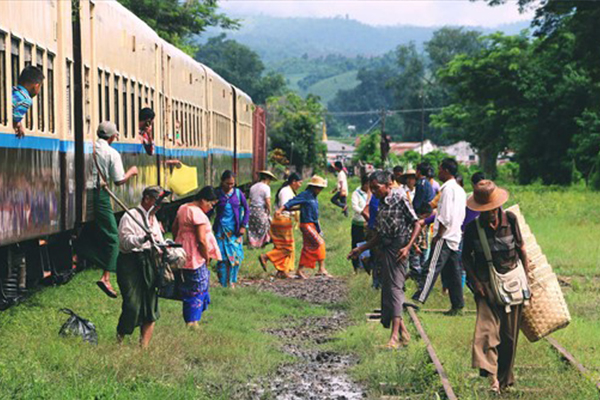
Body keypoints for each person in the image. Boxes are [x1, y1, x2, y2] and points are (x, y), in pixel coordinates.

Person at [462, 180, 529, 393]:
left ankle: (504, 379)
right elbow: (465, 258)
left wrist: (527, 283)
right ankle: (493, 380)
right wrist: (476, 282)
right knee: (486, 332)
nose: (489, 214)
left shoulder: (511, 220)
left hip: (512, 286)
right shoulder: (473, 228)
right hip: (486, 287)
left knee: (508, 337)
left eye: (492, 209)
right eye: (485, 210)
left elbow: (522, 251)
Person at [349, 171, 422, 349]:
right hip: (385, 249)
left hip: (399, 249)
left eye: (376, 188)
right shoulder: (380, 204)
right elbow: (379, 236)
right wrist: (361, 248)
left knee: (396, 290)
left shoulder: (399, 199)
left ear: (388, 185)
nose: (373, 191)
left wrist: (408, 247)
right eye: (371, 188)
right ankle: (404, 333)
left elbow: (417, 223)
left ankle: (394, 338)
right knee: (388, 291)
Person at [77, 122, 138, 298]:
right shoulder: (112, 153)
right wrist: (132, 172)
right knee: (113, 237)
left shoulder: (88, 146)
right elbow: (119, 180)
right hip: (100, 195)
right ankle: (106, 277)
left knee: (92, 229)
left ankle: (81, 253)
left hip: (82, 192)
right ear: (112, 137)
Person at [412, 158, 466, 315]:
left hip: (445, 236)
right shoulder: (460, 190)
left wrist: (438, 235)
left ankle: (418, 299)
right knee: (453, 272)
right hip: (455, 236)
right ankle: (458, 305)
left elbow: (446, 216)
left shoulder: (448, 190)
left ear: (447, 171)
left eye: (440, 169)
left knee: (431, 269)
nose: (438, 172)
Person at [116, 186, 167, 348]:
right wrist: (142, 238)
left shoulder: (153, 219)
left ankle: (143, 347)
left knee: (150, 305)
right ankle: (120, 339)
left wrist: (165, 247)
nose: (159, 206)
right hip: (130, 263)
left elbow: (159, 241)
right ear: (146, 199)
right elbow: (124, 243)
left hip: (150, 262)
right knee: (132, 304)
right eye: (156, 202)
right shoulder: (130, 217)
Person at [172, 186, 221, 327]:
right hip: (195, 256)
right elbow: (201, 240)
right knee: (198, 287)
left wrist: (179, 243)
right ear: (203, 200)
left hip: (182, 254)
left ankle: (191, 320)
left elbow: (175, 228)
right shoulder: (197, 213)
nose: (211, 208)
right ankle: (193, 322)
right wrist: (206, 257)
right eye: (211, 204)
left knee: (188, 288)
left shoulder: (183, 208)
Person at [277, 175, 331, 279]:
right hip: (306, 224)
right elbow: (292, 202)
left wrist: (318, 228)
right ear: (313, 186)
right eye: (318, 187)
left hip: (313, 224)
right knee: (320, 243)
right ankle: (321, 268)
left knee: (307, 248)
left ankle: (300, 270)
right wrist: (281, 210)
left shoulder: (314, 197)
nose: (320, 190)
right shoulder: (306, 195)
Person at [259, 173, 303, 278]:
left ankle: (282, 270)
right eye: (299, 183)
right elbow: (285, 207)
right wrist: (300, 207)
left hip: (284, 220)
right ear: (293, 182)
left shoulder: (288, 190)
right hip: (282, 219)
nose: (300, 185)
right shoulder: (285, 192)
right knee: (288, 248)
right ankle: (266, 257)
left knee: (282, 245)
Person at [213, 170, 249, 288]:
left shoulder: (238, 194)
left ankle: (232, 281)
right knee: (222, 257)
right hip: (221, 231)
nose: (229, 186)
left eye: (232, 184)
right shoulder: (217, 194)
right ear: (222, 182)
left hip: (235, 231)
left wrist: (244, 225)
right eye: (227, 183)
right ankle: (223, 283)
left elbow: (247, 209)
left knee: (235, 257)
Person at [13, 66, 44, 138]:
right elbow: (15, 118)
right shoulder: (26, 99)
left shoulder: (13, 90)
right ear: (36, 86)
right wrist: (18, 124)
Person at [248, 171, 277, 248]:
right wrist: (269, 211)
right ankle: (262, 243)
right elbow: (267, 201)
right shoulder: (266, 188)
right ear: (267, 179)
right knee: (266, 225)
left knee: (253, 228)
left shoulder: (253, 187)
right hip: (260, 210)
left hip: (251, 210)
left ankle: (253, 243)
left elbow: (250, 201)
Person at [350, 175, 370, 273]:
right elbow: (355, 206)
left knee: (367, 244)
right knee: (356, 244)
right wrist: (363, 212)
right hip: (358, 223)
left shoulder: (371, 193)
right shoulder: (356, 193)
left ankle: (366, 265)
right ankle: (356, 266)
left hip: (368, 224)